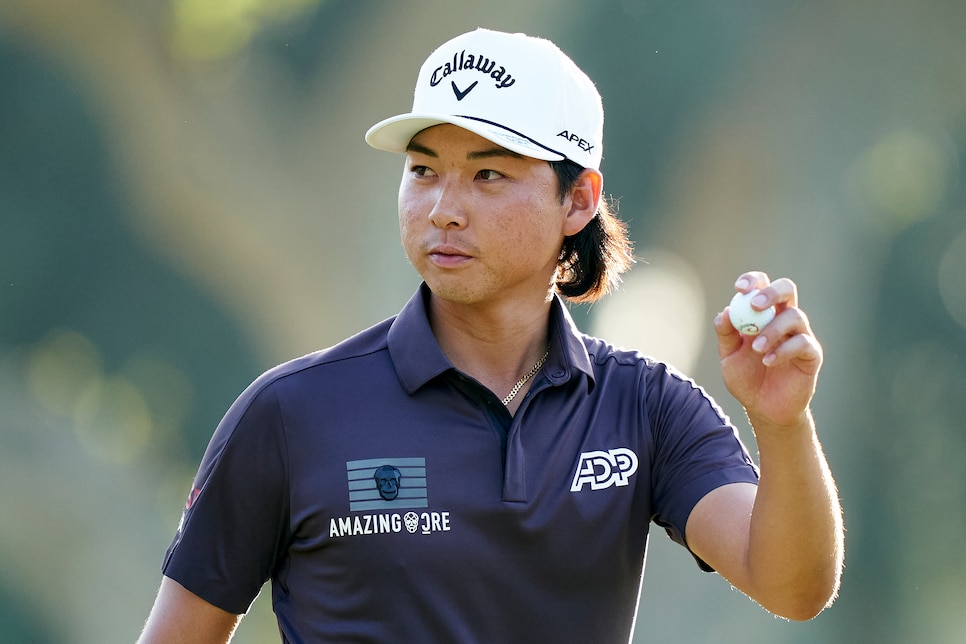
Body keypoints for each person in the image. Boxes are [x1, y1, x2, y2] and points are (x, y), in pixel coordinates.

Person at [138, 28, 843, 643]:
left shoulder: (646, 408)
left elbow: (792, 588)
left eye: (488, 174)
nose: (443, 209)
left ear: (579, 200)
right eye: (423, 171)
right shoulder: (289, 413)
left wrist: (781, 423)